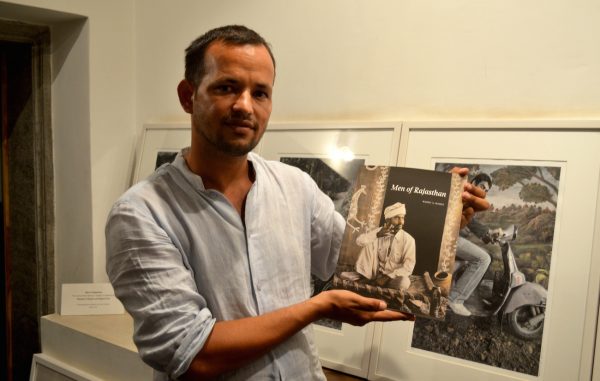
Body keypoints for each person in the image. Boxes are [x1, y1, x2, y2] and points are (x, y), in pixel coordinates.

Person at [105, 25, 489, 380]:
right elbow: (193, 354)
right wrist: (317, 307)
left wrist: (441, 221)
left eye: (260, 93)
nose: (245, 105)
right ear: (189, 97)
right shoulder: (141, 214)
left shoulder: (294, 186)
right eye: (226, 87)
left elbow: (360, 266)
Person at [448, 173, 494, 316]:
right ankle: (455, 299)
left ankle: (446, 292)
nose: (483, 192)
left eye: (486, 191)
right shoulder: (461, 193)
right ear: (473, 182)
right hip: (447, 236)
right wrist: (486, 233)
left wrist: (487, 234)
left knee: (464, 261)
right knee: (483, 259)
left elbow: (470, 221)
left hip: (448, 234)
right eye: (482, 187)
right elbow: (469, 220)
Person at [354, 202, 415, 290]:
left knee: (404, 282)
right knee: (369, 242)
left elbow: (408, 266)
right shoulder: (380, 231)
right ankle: (369, 279)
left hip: (392, 277)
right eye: (397, 218)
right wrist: (376, 235)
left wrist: (387, 277)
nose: (401, 222)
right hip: (374, 274)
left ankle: (375, 284)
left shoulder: (409, 240)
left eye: (402, 218)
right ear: (388, 220)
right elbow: (359, 241)